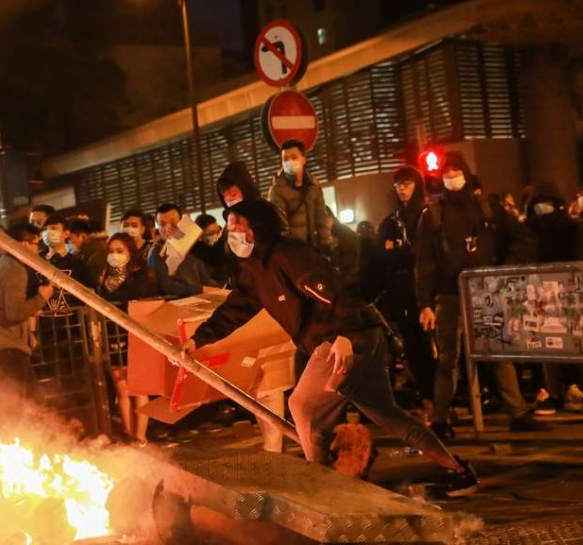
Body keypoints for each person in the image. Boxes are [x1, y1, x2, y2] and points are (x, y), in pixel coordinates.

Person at [182, 200, 478, 496]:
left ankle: (324, 493)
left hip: (344, 338)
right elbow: (235, 309)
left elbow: (338, 291)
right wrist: (198, 339)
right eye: (229, 224)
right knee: (388, 414)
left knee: (303, 407)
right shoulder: (253, 269)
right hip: (352, 337)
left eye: (237, 224)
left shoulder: (289, 254)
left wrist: (345, 336)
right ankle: (458, 471)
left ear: (258, 227)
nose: (230, 231)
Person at [416, 152, 549, 436]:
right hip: (449, 294)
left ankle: (517, 411)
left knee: (498, 350)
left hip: (487, 292)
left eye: (456, 171)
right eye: (447, 172)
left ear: (466, 173)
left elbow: (521, 237)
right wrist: (424, 303)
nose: (451, 177)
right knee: (448, 357)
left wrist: (503, 271)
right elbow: (424, 263)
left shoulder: (487, 208)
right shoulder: (434, 215)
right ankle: (441, 418)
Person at [375, 166, 436, 421]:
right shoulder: (391, 221)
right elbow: (383, 257)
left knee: (438, 349)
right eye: (399, 184)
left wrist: (399, 251)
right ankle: (428, 401)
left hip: (431, 292)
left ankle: (440, 401)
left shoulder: (429, 215)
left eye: (407, 183)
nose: (402, 188)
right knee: (415, 349)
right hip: (404, 295)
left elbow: (428, 255)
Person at [523, 184, 583, 414]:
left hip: (563, 293)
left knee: (565, 343)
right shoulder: (537, 229)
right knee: (551, 344)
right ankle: (557, 390)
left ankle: (563, 389)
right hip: (544, 294)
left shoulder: (569, 228)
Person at [0, 224, 53, 399]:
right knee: (21, 409)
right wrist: (42, 297)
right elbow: (14, 313)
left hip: (2, 348)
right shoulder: (14, 268)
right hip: (7, 350)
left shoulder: (5, 265)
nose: (37, 249)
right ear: (24, 244)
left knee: (34, 405)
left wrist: (30, 310)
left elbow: (6, 308)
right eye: (35, 243)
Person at [99, 233, 157, 445]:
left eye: (120, 251)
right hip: (112, 335)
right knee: (122, 389)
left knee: (138, 388)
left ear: (130, 252)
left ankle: (140, 436)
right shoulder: (105, 277)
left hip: (135, 336)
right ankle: (129, 433)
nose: (114, 255)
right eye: (111, 251)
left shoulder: (140, 275)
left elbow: (135, 299)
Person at [267, 140, 332, 252]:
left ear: (303, 159)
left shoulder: (314, 185)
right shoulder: (277, 190)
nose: (289, 161)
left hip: (313, 248)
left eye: (294, 157)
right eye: (285, 159)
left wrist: (326, 244)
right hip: (292, 253)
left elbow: (321, 217)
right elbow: (278, 227)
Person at [147, 203, 216, 298]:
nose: (168, 228)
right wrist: (200, 289)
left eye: (173, 224)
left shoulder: (193, 247)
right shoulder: (157, 253)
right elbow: (165, 286)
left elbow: (206, 279)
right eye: (162, 224)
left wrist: (217, 288)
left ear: (182, 223)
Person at [41, 214, 94, 290]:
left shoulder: (79, 266)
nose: (48, 232)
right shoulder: (35, 259)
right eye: (45, 229)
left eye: (53, 228)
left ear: (66, 233)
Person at [69, 219, 109, 283]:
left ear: (83, 236)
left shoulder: (90, 252)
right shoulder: (102, 245)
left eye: (71, 238)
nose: (71, 242)